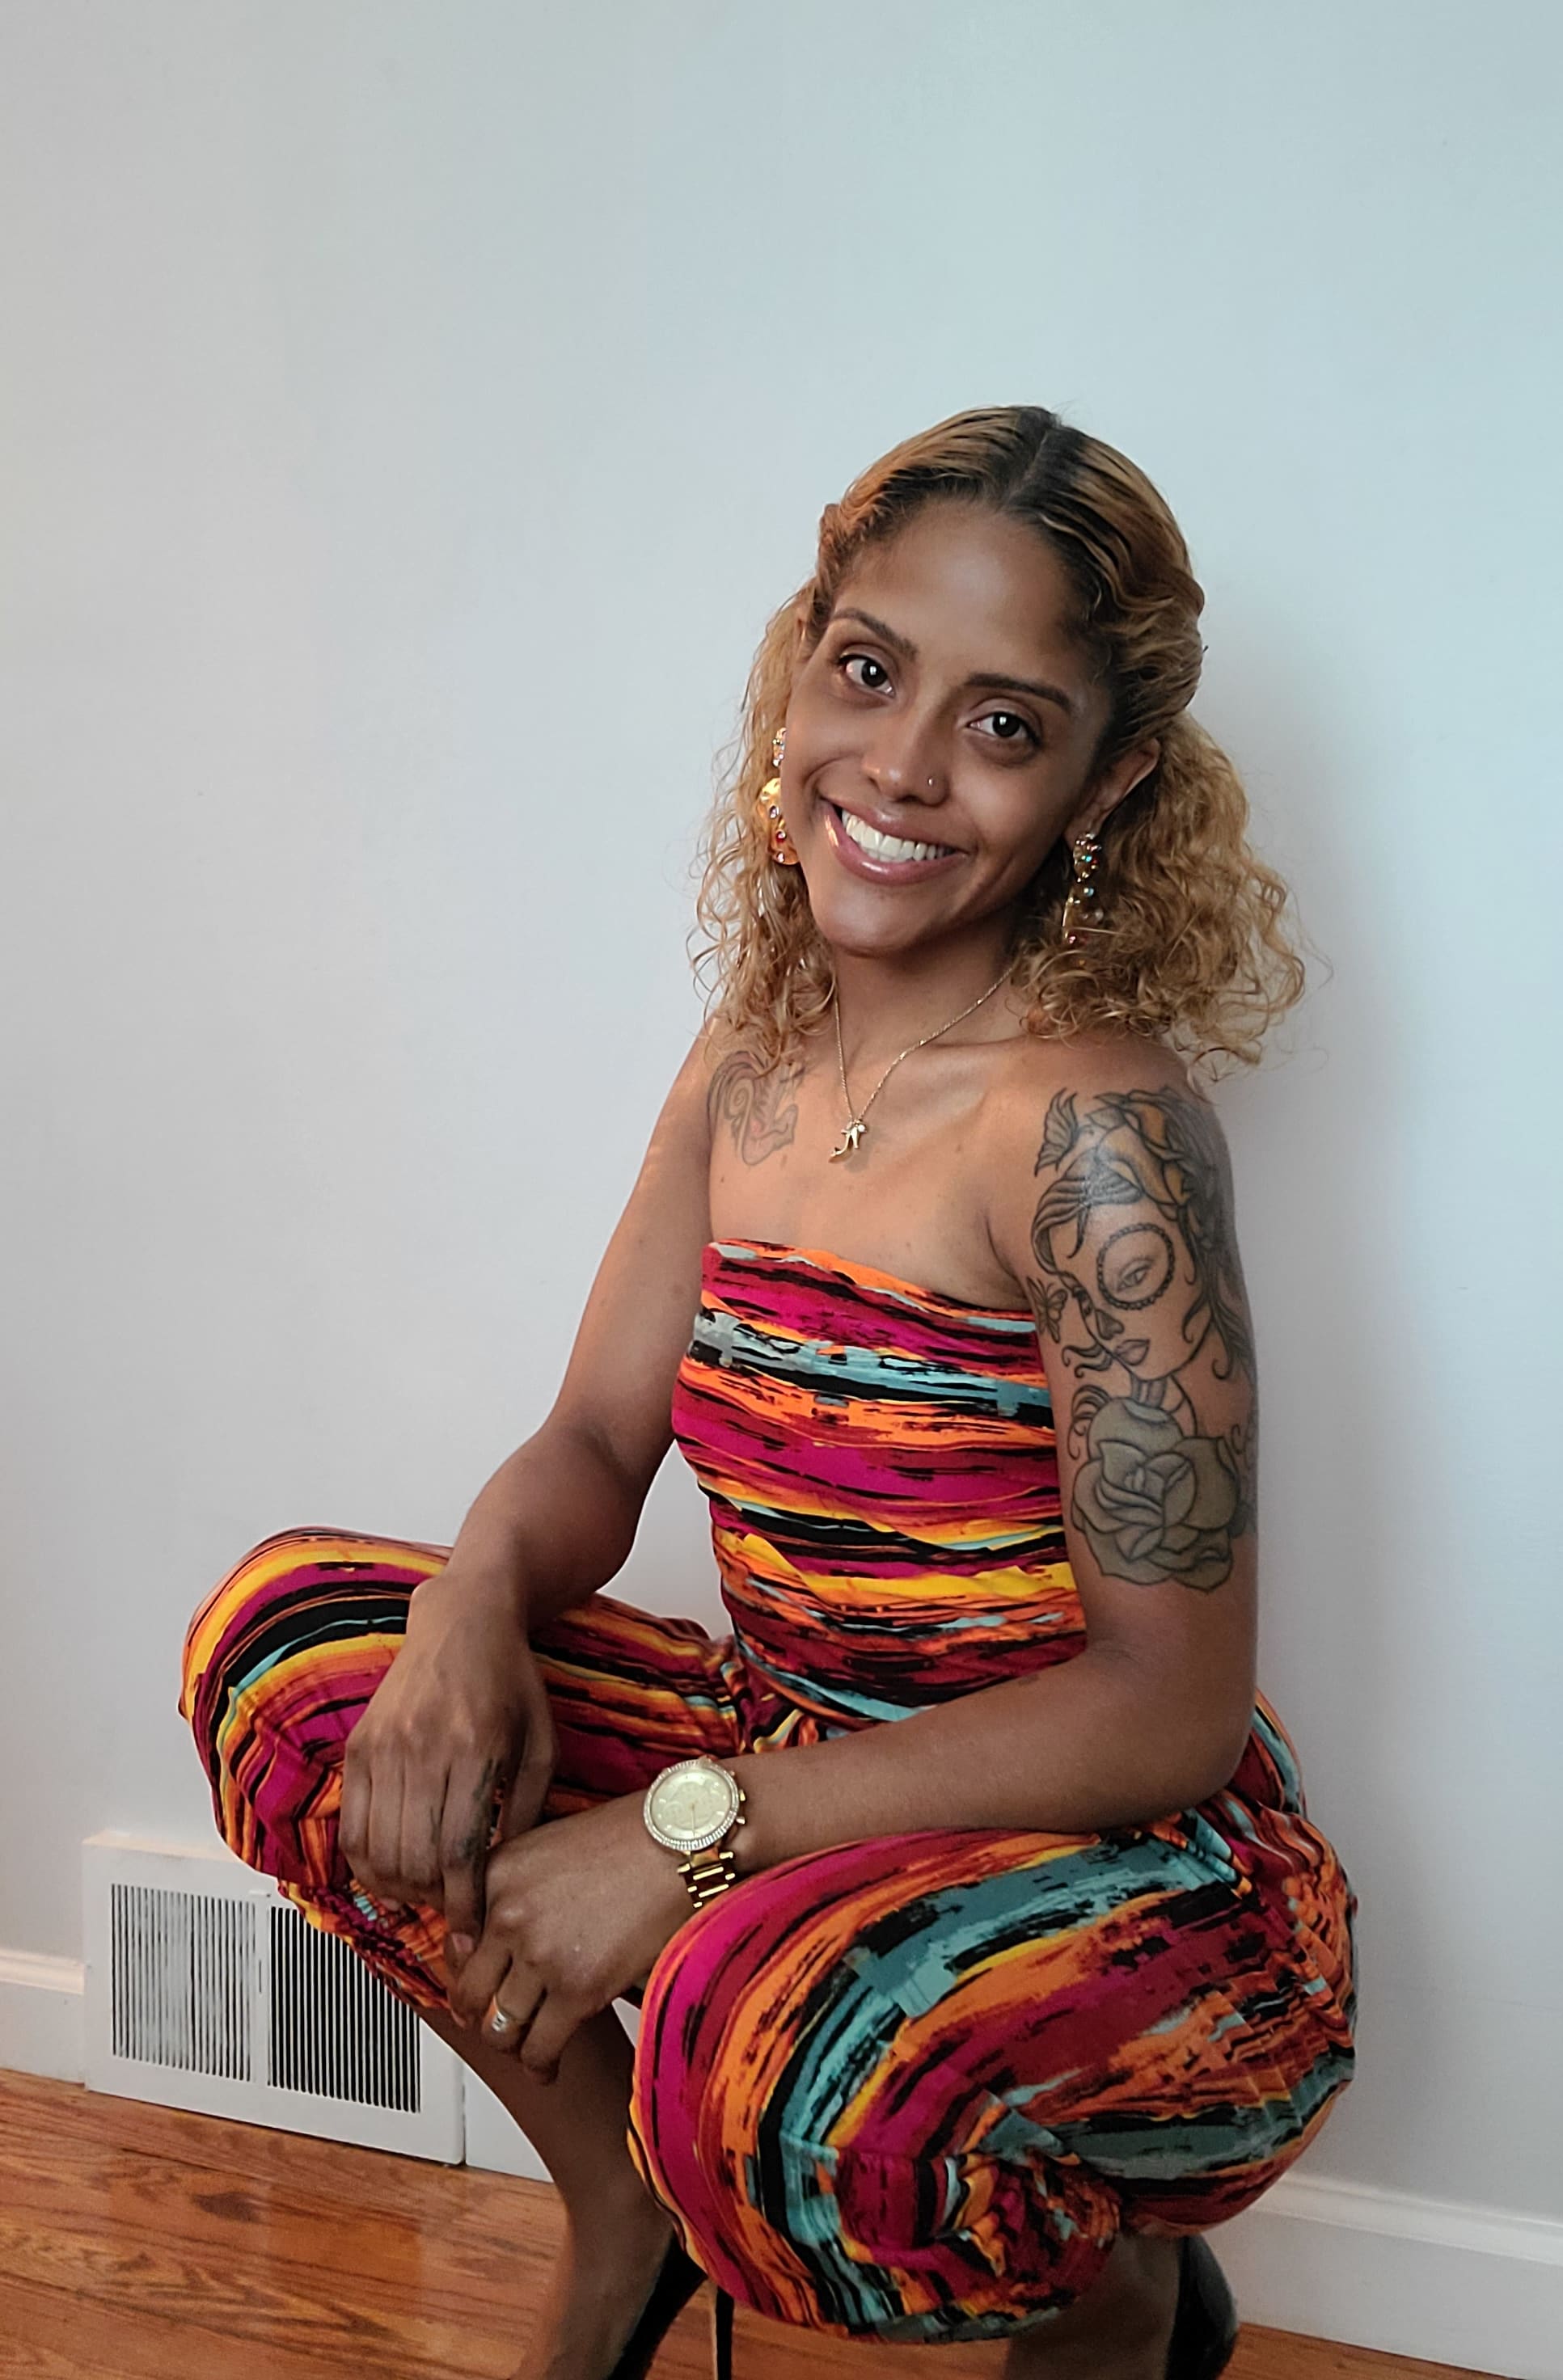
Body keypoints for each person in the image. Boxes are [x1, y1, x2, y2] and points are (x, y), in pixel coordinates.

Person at [180, 404, 1358, 2380]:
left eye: (1001, 722)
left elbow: (1168, 1704)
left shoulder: (1096, 1132)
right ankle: (617, 2213)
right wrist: (467, 1606)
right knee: (297, 1664)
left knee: (749, 2046)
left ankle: (1121, 2298)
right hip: (794, 1738)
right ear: (805, 659)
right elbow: (592, 1442)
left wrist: (691, 1834)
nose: (898, 766)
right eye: (870, 668)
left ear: (1105, 780)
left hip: (1129, 1871)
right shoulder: (756, 1049)